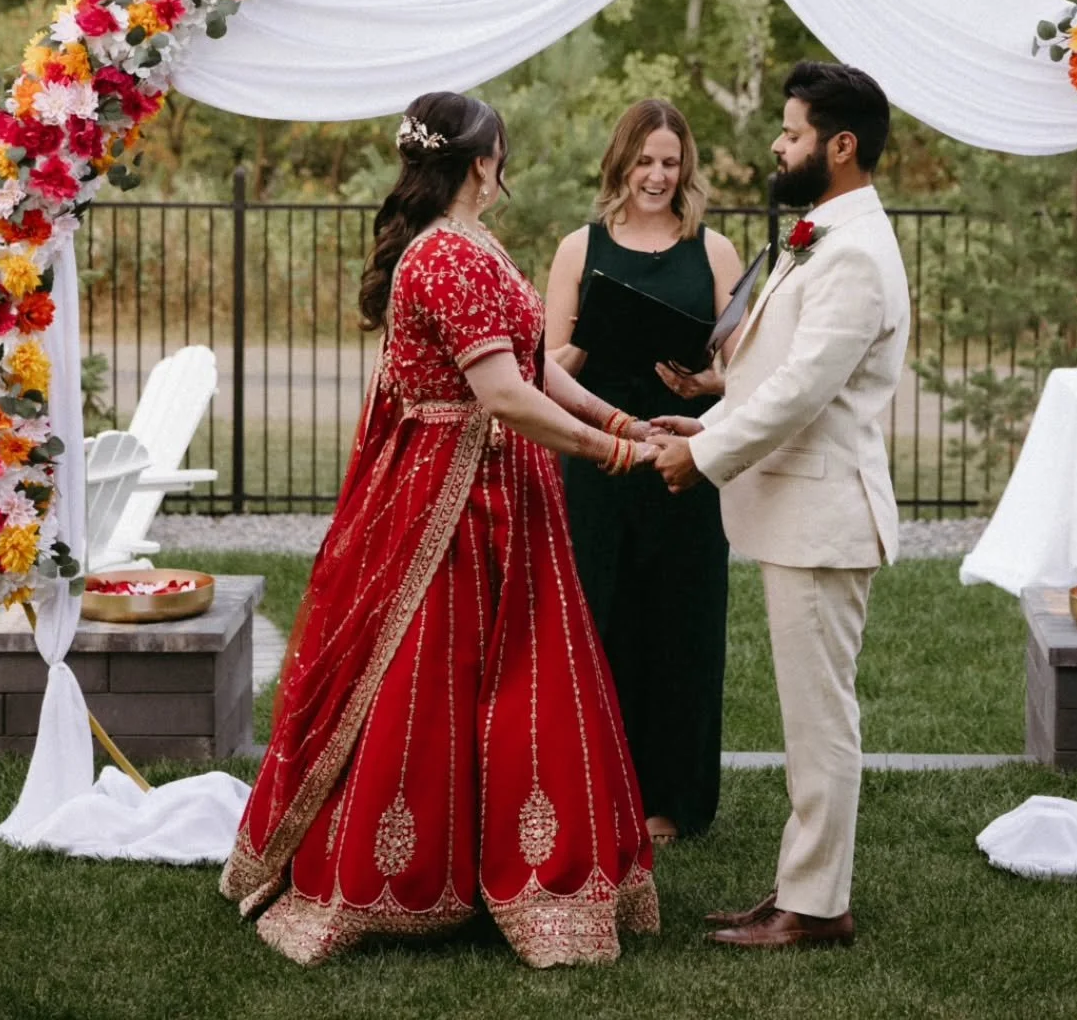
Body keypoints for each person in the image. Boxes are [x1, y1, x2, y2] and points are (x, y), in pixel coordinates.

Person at [221, 90, 660, 969]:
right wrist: (605, 456)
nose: (506, 166)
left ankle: (492, 867)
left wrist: (622, 424)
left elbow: (533, 369)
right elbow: (499, 395)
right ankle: (402, 876)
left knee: (520, 677)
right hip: (452, 499)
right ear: (481, 160)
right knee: (432, 677)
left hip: (505, 487)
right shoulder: (448, 258)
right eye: (502, 153)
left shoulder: (476, 248)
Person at [650, 61, 908, 952]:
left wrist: (703, 453)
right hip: (803, 511)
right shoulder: (824, 236)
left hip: (827, 516)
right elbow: (785, 371)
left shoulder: (858, 253)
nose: (778, 142)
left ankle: (817, 907)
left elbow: (806, 389)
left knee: (822, 719)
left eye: (793, 132)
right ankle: (798, 888)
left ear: (841, 147)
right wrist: (710, 409)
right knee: (809, 717)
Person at [546, 99, 745, 845]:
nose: (657, 176)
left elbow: (743, 368)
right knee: (603, 621)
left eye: (670, 162)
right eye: (645, 162)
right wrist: (593, 340)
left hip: (686, 456)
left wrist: (709, 385)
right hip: (599, 456)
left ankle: (673, 799)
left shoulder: (714, 251)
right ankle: (600, 788)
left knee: (683, 626)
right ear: (620, 163)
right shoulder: (579, 248)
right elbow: (544, 367)